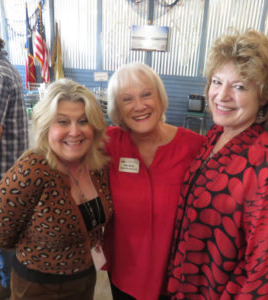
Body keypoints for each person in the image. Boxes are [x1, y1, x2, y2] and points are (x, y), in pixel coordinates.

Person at [167, 30, 268, 299]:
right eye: (216, 81)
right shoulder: (217, 135)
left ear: (266, 96)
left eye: (239, 86)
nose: (221, 96)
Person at [0, 78, 112, 300]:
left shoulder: (97, 165)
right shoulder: (31, 170)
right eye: (63, 122)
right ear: (46, 126)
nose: (74, 132)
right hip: (38, 286)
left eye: (83, 121)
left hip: (86, 278)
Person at [103, 62, 205, 300]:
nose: (139, 106)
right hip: (124, 273)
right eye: (127, 99)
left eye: (146, 94)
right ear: (117, 107)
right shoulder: (109, 144)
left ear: (160, 97)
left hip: (178, 277)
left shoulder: (195, 146)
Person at [0, 21, 29, 300]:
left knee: (3, 234)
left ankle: (10, 285)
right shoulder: (4, 67)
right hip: (8, 171)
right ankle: (7, 273)